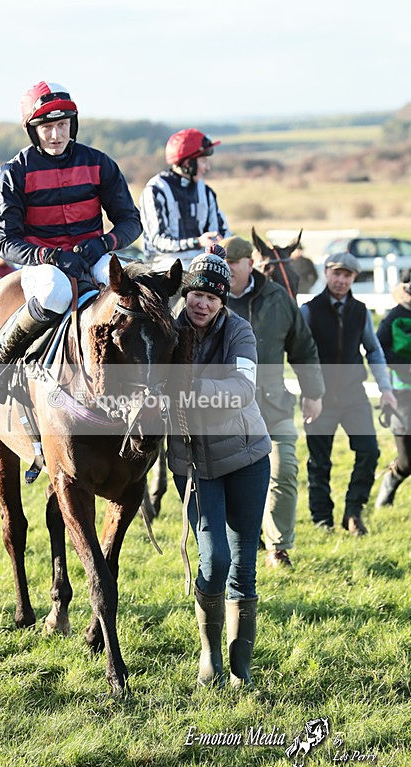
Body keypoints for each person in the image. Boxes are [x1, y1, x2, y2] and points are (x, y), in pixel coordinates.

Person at [0, 81, 142, 398]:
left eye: (62, 125)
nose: (56, 135)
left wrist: (105, 243)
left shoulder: (99, 163)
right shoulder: (14, 172)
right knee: (56, 292)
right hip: (42, 263)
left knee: (137, 284)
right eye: (47, 127)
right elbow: (5, 242)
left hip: (94, 255)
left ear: (73, 123)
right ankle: (1, 358)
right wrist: (51, 256)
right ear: (32, 130)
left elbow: (131, 222)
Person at [167, 252, 271, 689]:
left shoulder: (239, 330)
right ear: (186, 293)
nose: (201, 304)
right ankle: (209, 656)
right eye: (195, 293)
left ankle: (240, 669)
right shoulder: (166, 330)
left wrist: (188, 388)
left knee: (243, 561)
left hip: (247, 458)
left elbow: (243, 388)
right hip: (192, 465)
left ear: (222, 301)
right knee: (213, 558)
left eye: (210, 296)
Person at [223, 236, 325, 569]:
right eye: (221, 264)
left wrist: (313, 392)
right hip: (223, 411)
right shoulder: (211, 301)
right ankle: (240, 543)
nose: (226, 270)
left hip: (273, 406)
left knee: (284, 471)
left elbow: (303, 346)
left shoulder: (277, 298)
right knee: (231, 481)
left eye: (232, 264)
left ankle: (278, 546)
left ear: (249, 263)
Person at [301, 253, 397, 535]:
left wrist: (386, 390)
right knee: (320, 461)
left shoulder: (361, 311)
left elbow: (374, 351)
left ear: (354, 278)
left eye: (348, 275)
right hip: (320, 397)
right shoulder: (309, 310)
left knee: (369, 452)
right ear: (327, 273)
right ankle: (322, 520)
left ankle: (353, 512)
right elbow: (301, 355)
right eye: (336, 273)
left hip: (354, 395)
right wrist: (310, 392)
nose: (341, 280)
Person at [139, 128, 231, 267]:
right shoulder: (156, 190)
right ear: (188, 164)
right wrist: (197, 242)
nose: (207, 168)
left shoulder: (206, 192)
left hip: (202, 263)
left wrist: (220, 241)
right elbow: (158, 241)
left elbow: (220, 231)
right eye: (204, 161)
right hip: (164, 266)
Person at [375, 281, 411, 507]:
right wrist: (404, 366)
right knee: (408, 461)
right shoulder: (395, 317)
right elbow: (378, 349)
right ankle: (392, 477)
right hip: (402, 392)